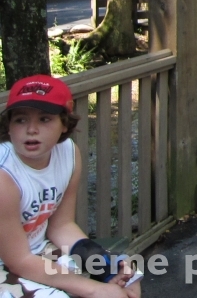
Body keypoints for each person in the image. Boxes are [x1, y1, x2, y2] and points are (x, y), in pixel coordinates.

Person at [0, 74, 141, 297]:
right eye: (20, 120)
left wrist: (106, 268)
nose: (31, 129)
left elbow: (61, 226)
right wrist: (95, 289)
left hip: (36, 251)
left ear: (64, 124)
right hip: (12, 261)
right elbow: (18, 260)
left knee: (128, 278)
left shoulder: (69, 154)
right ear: (8, 126)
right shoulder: (4, 175)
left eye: (44, 119)